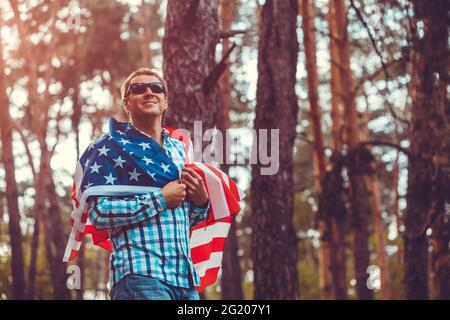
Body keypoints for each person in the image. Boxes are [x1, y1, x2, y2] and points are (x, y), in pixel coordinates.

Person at [87, 67, 210, 300]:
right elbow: (99, 213)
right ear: (126, 103)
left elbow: (180, 216)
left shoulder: (179, 150)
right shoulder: (110, 148)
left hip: (185, 282)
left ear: (165, 101)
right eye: (138, 89)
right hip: (140, 274)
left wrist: (201, 201)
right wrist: (160, 199)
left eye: (156, 88)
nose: (148, 92)